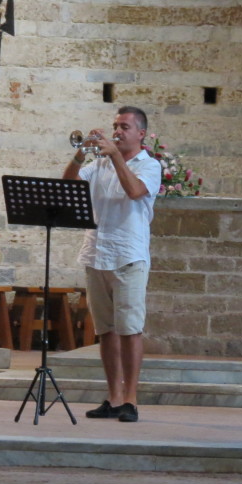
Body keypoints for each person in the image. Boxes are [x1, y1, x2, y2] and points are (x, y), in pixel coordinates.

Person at [62, 106, 161, 423]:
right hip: (96, 253)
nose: (117, 131)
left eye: (125, 127)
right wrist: (81, 154)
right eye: (115, 125)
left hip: (128, 255)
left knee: (130, 330)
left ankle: (130, 400)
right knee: (105, 331)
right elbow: (68, 184)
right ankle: (114, 397)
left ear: (141, 134)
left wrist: (115, 156)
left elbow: (134, 191)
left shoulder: (150, 165)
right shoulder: (99, 163)